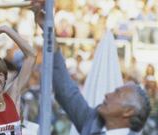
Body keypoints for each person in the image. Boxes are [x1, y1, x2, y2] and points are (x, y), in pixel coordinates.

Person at [31, 0, 151, 134]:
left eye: (117, 94)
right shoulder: (92, 123)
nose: (107, 94)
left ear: (128, 111)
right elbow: (66, 92)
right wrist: (48, 30)